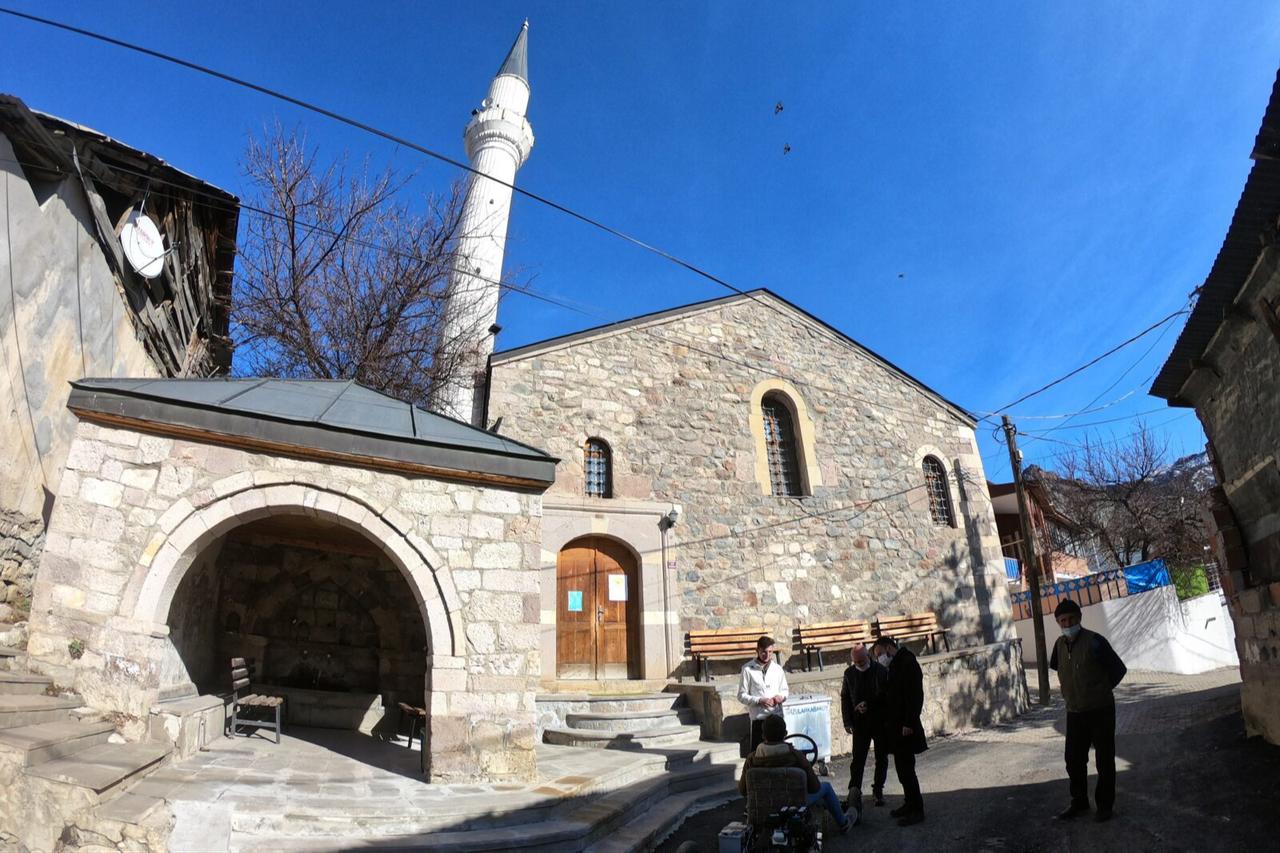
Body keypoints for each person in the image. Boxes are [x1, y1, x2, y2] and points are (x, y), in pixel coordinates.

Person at [1049, 598, 1127, 823]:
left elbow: (1118, 669)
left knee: (1104, 759)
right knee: (1073, 759)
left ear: (1079, 618)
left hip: (1100, 710)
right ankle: (1079, 801)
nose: (1067, 623)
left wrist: (1100, 690)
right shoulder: (1059, 646)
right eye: (1063, 620)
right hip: (1074, 712)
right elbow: (1059, 668)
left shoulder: (1095, 641)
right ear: (1058, 622)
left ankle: (1104, 805)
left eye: (1071, 618)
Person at [738, 712, 852, 834]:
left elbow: (743, 790)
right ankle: (843, 822)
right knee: (826, 787)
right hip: (794, 805)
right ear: (785, 734)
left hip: (762, 804)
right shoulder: (796, 756)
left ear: (763, 735)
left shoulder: (752, 759)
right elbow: (815, 787)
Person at [872, 635, 927, 826]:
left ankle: (917, 808)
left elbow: (915, 696)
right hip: (896, 727)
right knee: (903, 770)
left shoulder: (907, 663)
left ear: (889, 648)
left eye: (879, 654)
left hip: (906, 727)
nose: (879, 658)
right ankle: (909, 803)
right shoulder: (894, 666)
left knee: (907, 770)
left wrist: (909, 723)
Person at [840, 642, 889, 820]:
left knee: (881, 757)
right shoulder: (849, 673)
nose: (859, 664)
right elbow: (845, 697)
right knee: (858, 759)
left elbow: (885, 695)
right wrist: (847, 720)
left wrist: (868, 703)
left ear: (868, 656)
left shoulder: (880, 671)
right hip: (859, 723)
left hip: (878, 721)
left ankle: (878, 790)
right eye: (856, 662)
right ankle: (855, 792)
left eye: (862, 661)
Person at [738, 635, 788, 753]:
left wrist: (780, 697)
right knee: (759, 755)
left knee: (779, 755)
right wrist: (759, 700)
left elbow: (785, 690)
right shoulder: (747, 669)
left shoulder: (777, 669)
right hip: (759, 720)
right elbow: (741, 695)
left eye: (770, 652)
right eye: (764, 652)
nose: (767, 655)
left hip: (776, 718)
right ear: (757, 651)